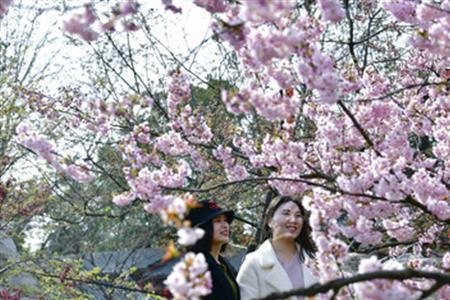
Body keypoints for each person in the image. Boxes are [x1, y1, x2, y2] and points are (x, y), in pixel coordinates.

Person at [237, 195, 318, 300]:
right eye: (286, 213)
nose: (293, 220)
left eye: (298, 215)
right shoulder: (254, 263)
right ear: (270, 221)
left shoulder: (316, 260)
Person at [186, 199, 241, 300]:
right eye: (217, 221)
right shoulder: (197, 268)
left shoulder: (223, 264)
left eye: (225, 220)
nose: (225, 225)